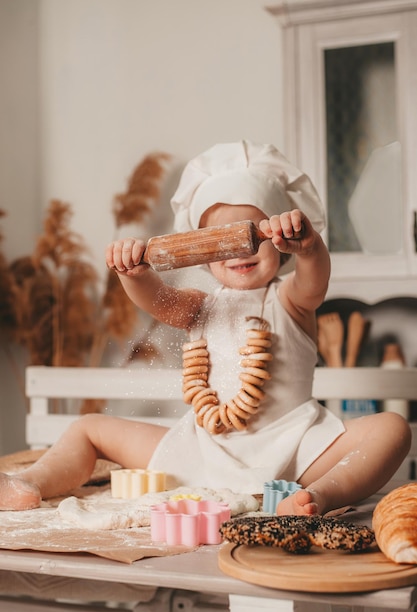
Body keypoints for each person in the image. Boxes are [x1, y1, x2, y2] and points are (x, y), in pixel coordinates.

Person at [0, 141, 411, 515]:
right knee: (88, 427)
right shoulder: (201, 307)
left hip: (293, 449)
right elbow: (158, 301)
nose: (239, 251)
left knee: (392, 429)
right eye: (221, 240)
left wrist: (309, 247)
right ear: (202, 251)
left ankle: (318, 496)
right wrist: (134, 274)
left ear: (278, 238)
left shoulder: (289, 299)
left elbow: (314, 277)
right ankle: (28, 483)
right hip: (203, 448)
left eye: (253, 234)